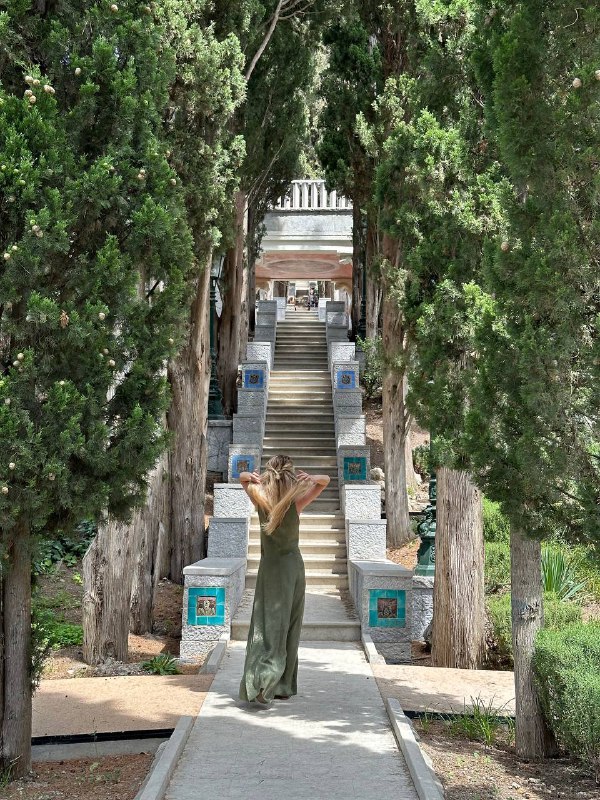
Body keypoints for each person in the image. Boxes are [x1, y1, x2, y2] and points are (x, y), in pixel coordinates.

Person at [238, 455, 331, 704]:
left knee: (266, 623)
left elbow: (242, 478)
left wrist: (252, 477)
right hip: (292, 570)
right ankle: (280, 684)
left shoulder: (260, 500)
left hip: (269, 569)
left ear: (268, 475)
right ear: (290, 476)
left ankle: (263, 679)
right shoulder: (296, 503)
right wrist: (311, 478)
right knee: (290, 625)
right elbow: (325, 481)